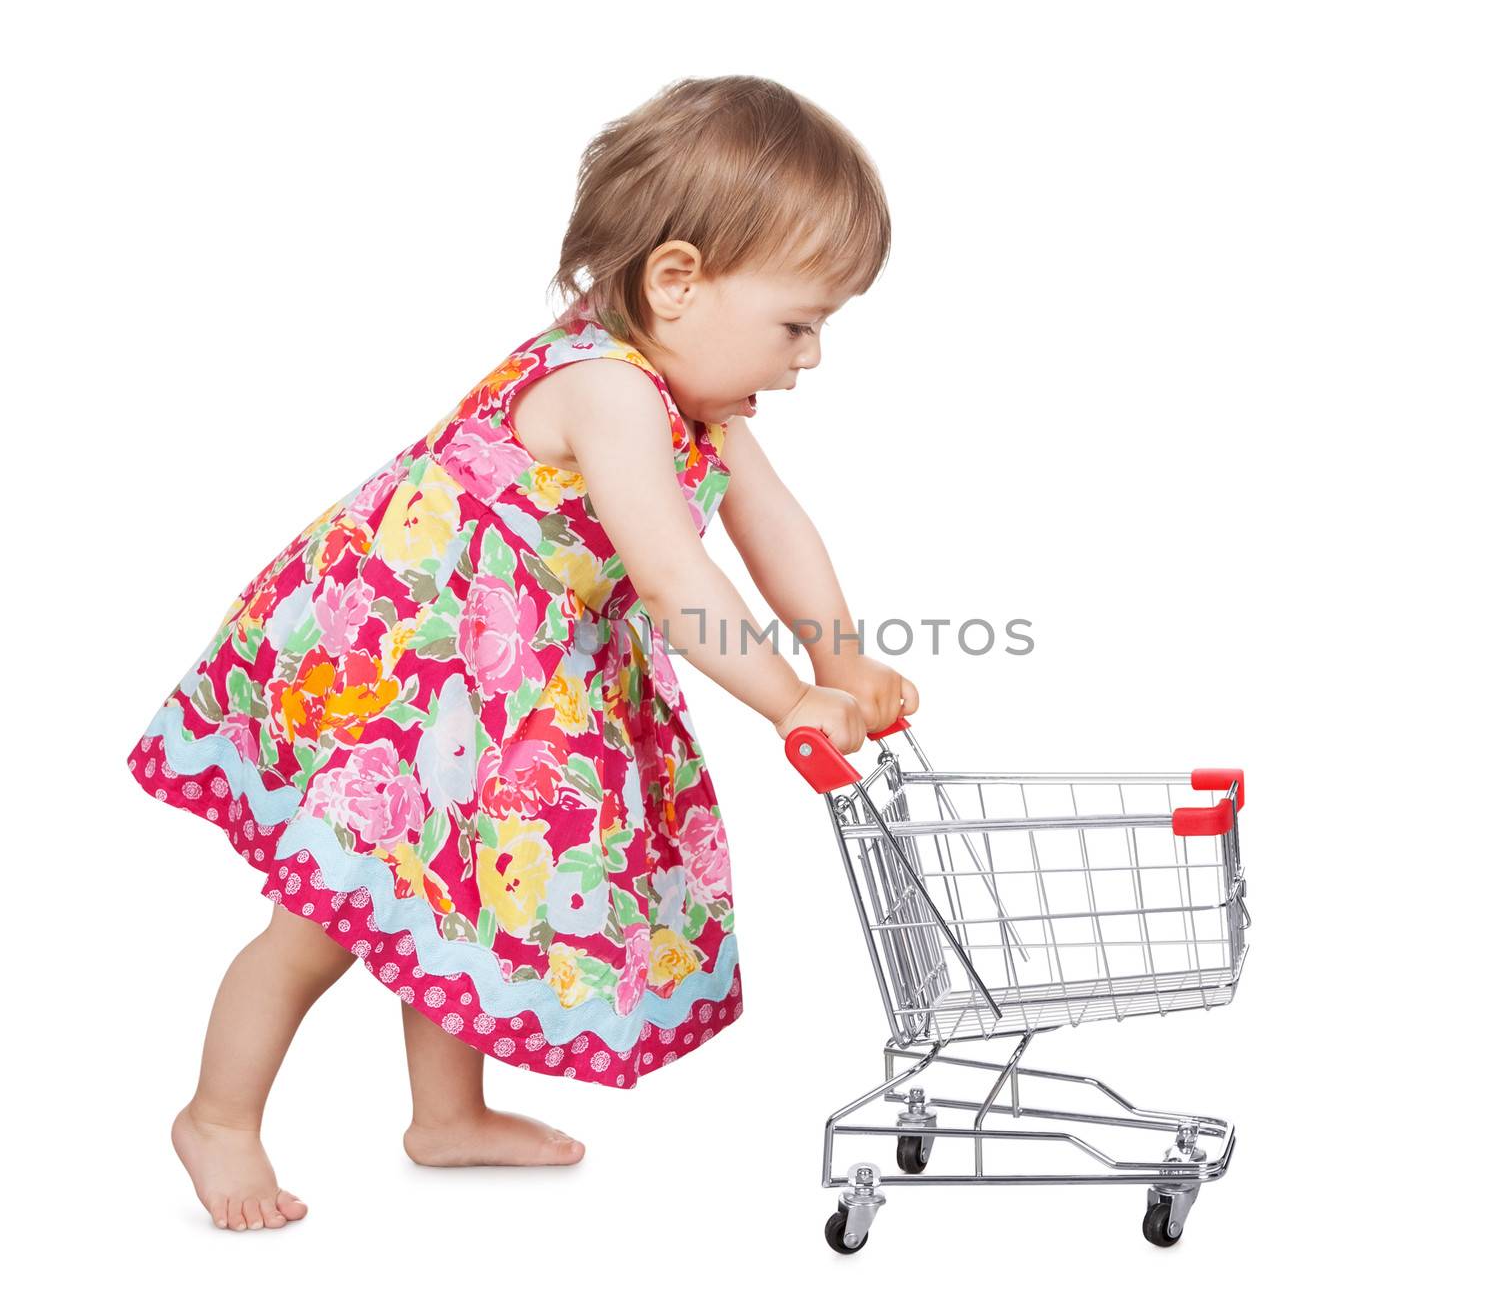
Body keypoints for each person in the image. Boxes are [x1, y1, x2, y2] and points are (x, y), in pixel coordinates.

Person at [125, 74, 919, 1234]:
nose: (809, 356)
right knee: (327, 914)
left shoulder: (700, 400)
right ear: (678, 281)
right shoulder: (606, 388)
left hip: (504, 685)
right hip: (416, 670)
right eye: (799, 321)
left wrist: (842, 658)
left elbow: (773, 528)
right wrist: (790, 697)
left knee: (460, 885)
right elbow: (673, 573)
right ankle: (218, 1113)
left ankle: (445, 1117)